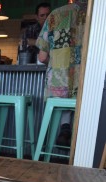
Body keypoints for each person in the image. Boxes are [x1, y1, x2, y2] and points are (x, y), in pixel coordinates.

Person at [36, 0, 87, 147]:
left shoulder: (55, 15)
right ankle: (79, 144)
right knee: (75, 97)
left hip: (57, 87)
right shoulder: (94, 16)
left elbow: (42, 57)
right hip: (83, 88)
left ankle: (64, 128)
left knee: (64, 95)